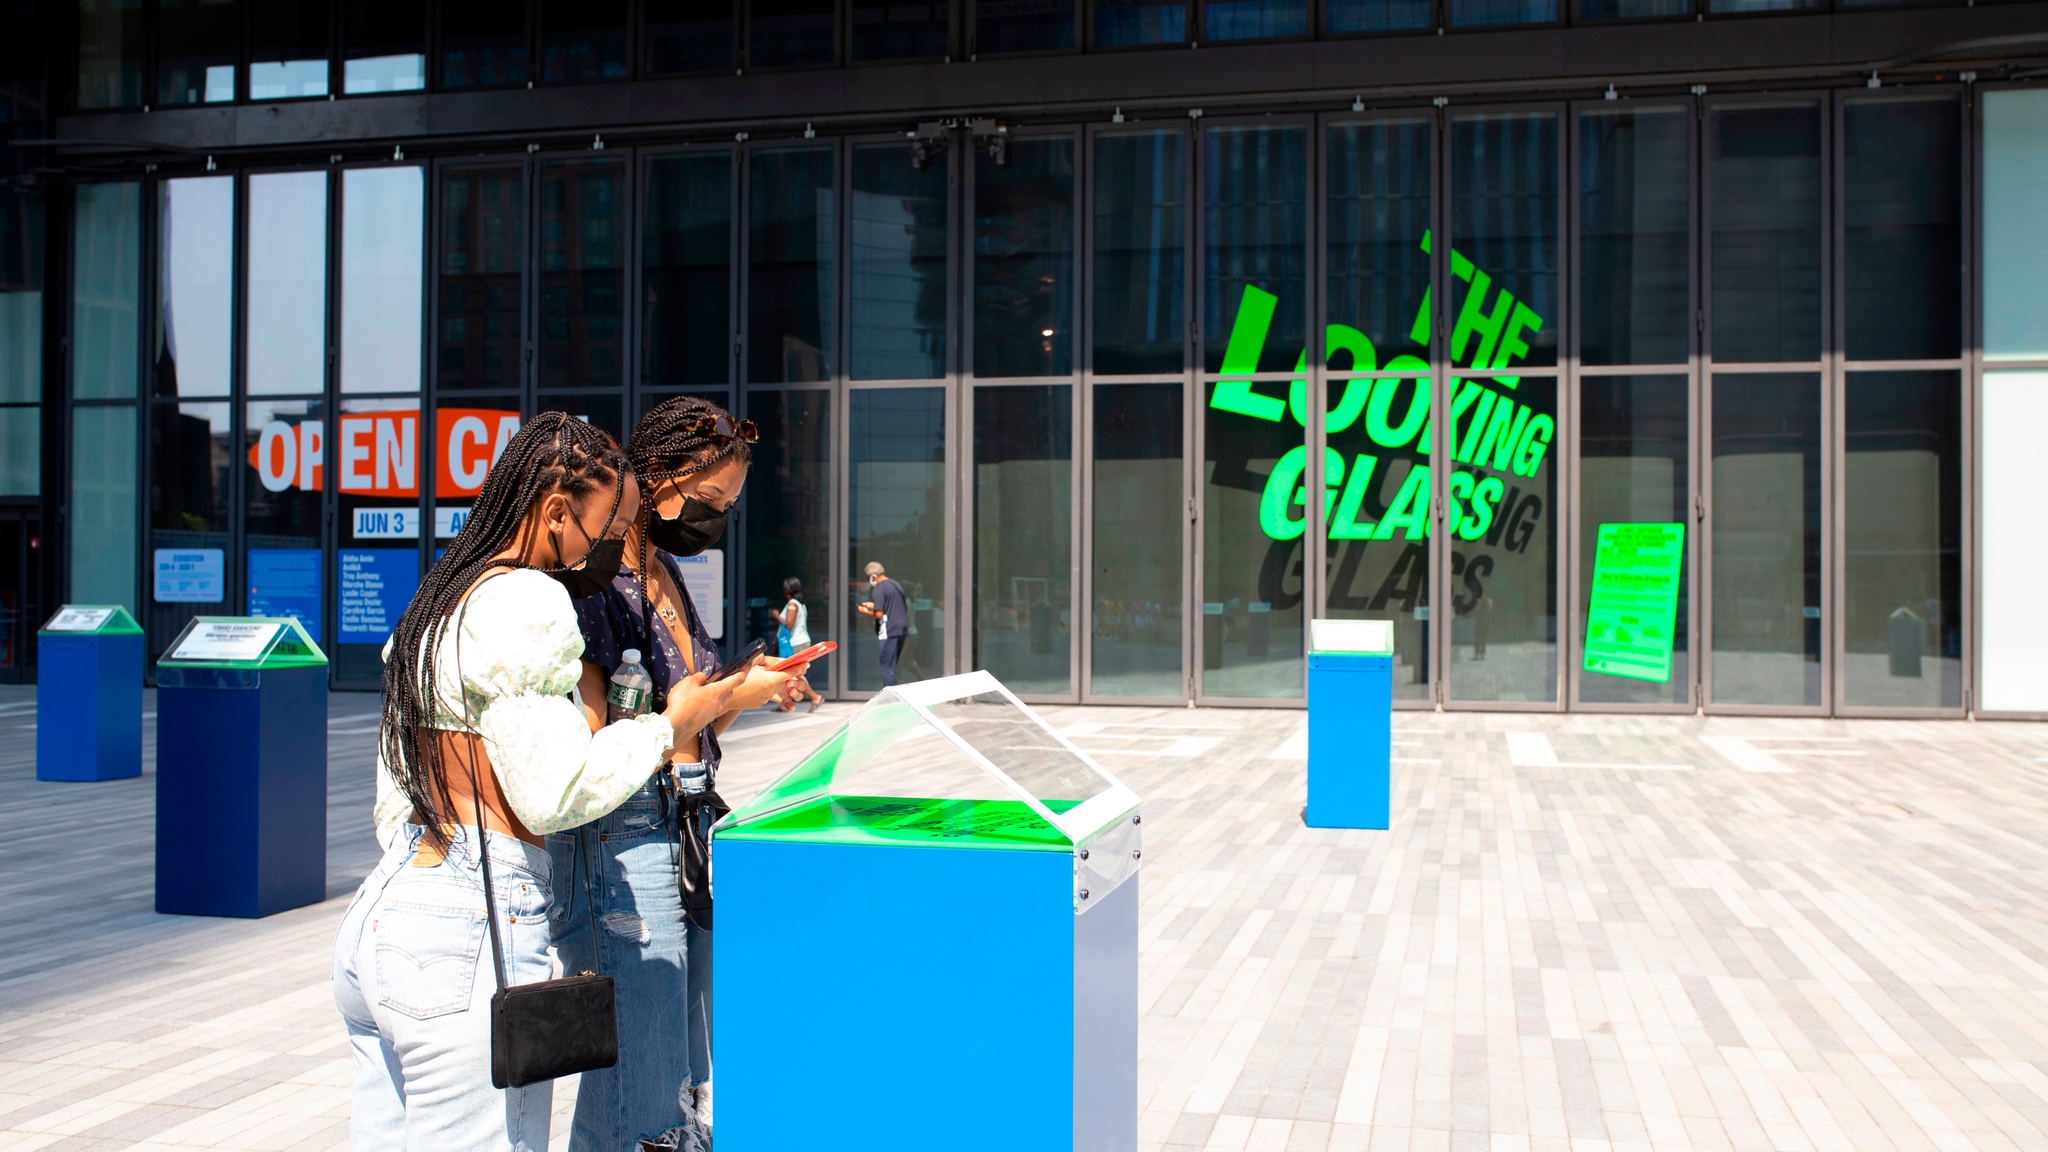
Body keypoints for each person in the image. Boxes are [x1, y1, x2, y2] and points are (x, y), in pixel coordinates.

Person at [333, 414, 739, 1151]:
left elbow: (395, 781)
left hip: (386, 911)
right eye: (599, 528)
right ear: (555, 511)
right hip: (467, 927)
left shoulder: (441, 597)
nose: (603, 549)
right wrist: (667, 727)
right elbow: (553, 794)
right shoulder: (528, 599)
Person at [554, 396, 810, 1152]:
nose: (715, 518)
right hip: (628, 829)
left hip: (687, 817)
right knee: (644, 1064)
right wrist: (729, 694)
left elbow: (692, 726)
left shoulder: (662, 570)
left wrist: (749, 691)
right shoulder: (602, 581)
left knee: (679, 1056)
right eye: (707, 501)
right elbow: (608, 740)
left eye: (727, 506)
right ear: (656, 475)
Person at [857, 560, 911, 687]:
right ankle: (895, 694)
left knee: (887, 667)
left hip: (889, 629)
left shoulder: (879, 588)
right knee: (894, 665)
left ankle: (891, 698)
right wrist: (873, 605)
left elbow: (879, 614)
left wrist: (865, 611)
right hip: (902, 629)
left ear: (873, 576)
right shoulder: (896, 585)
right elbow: (891, 605)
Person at [777, 576, 822, 713]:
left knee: (795, 674)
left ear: (786, 590)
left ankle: (815, 697)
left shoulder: (792, 604)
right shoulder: (801, 604)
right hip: (800, 641)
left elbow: (788, 624)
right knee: (791, 674)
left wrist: (775, 615)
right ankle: (785, 702)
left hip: (796, 643)